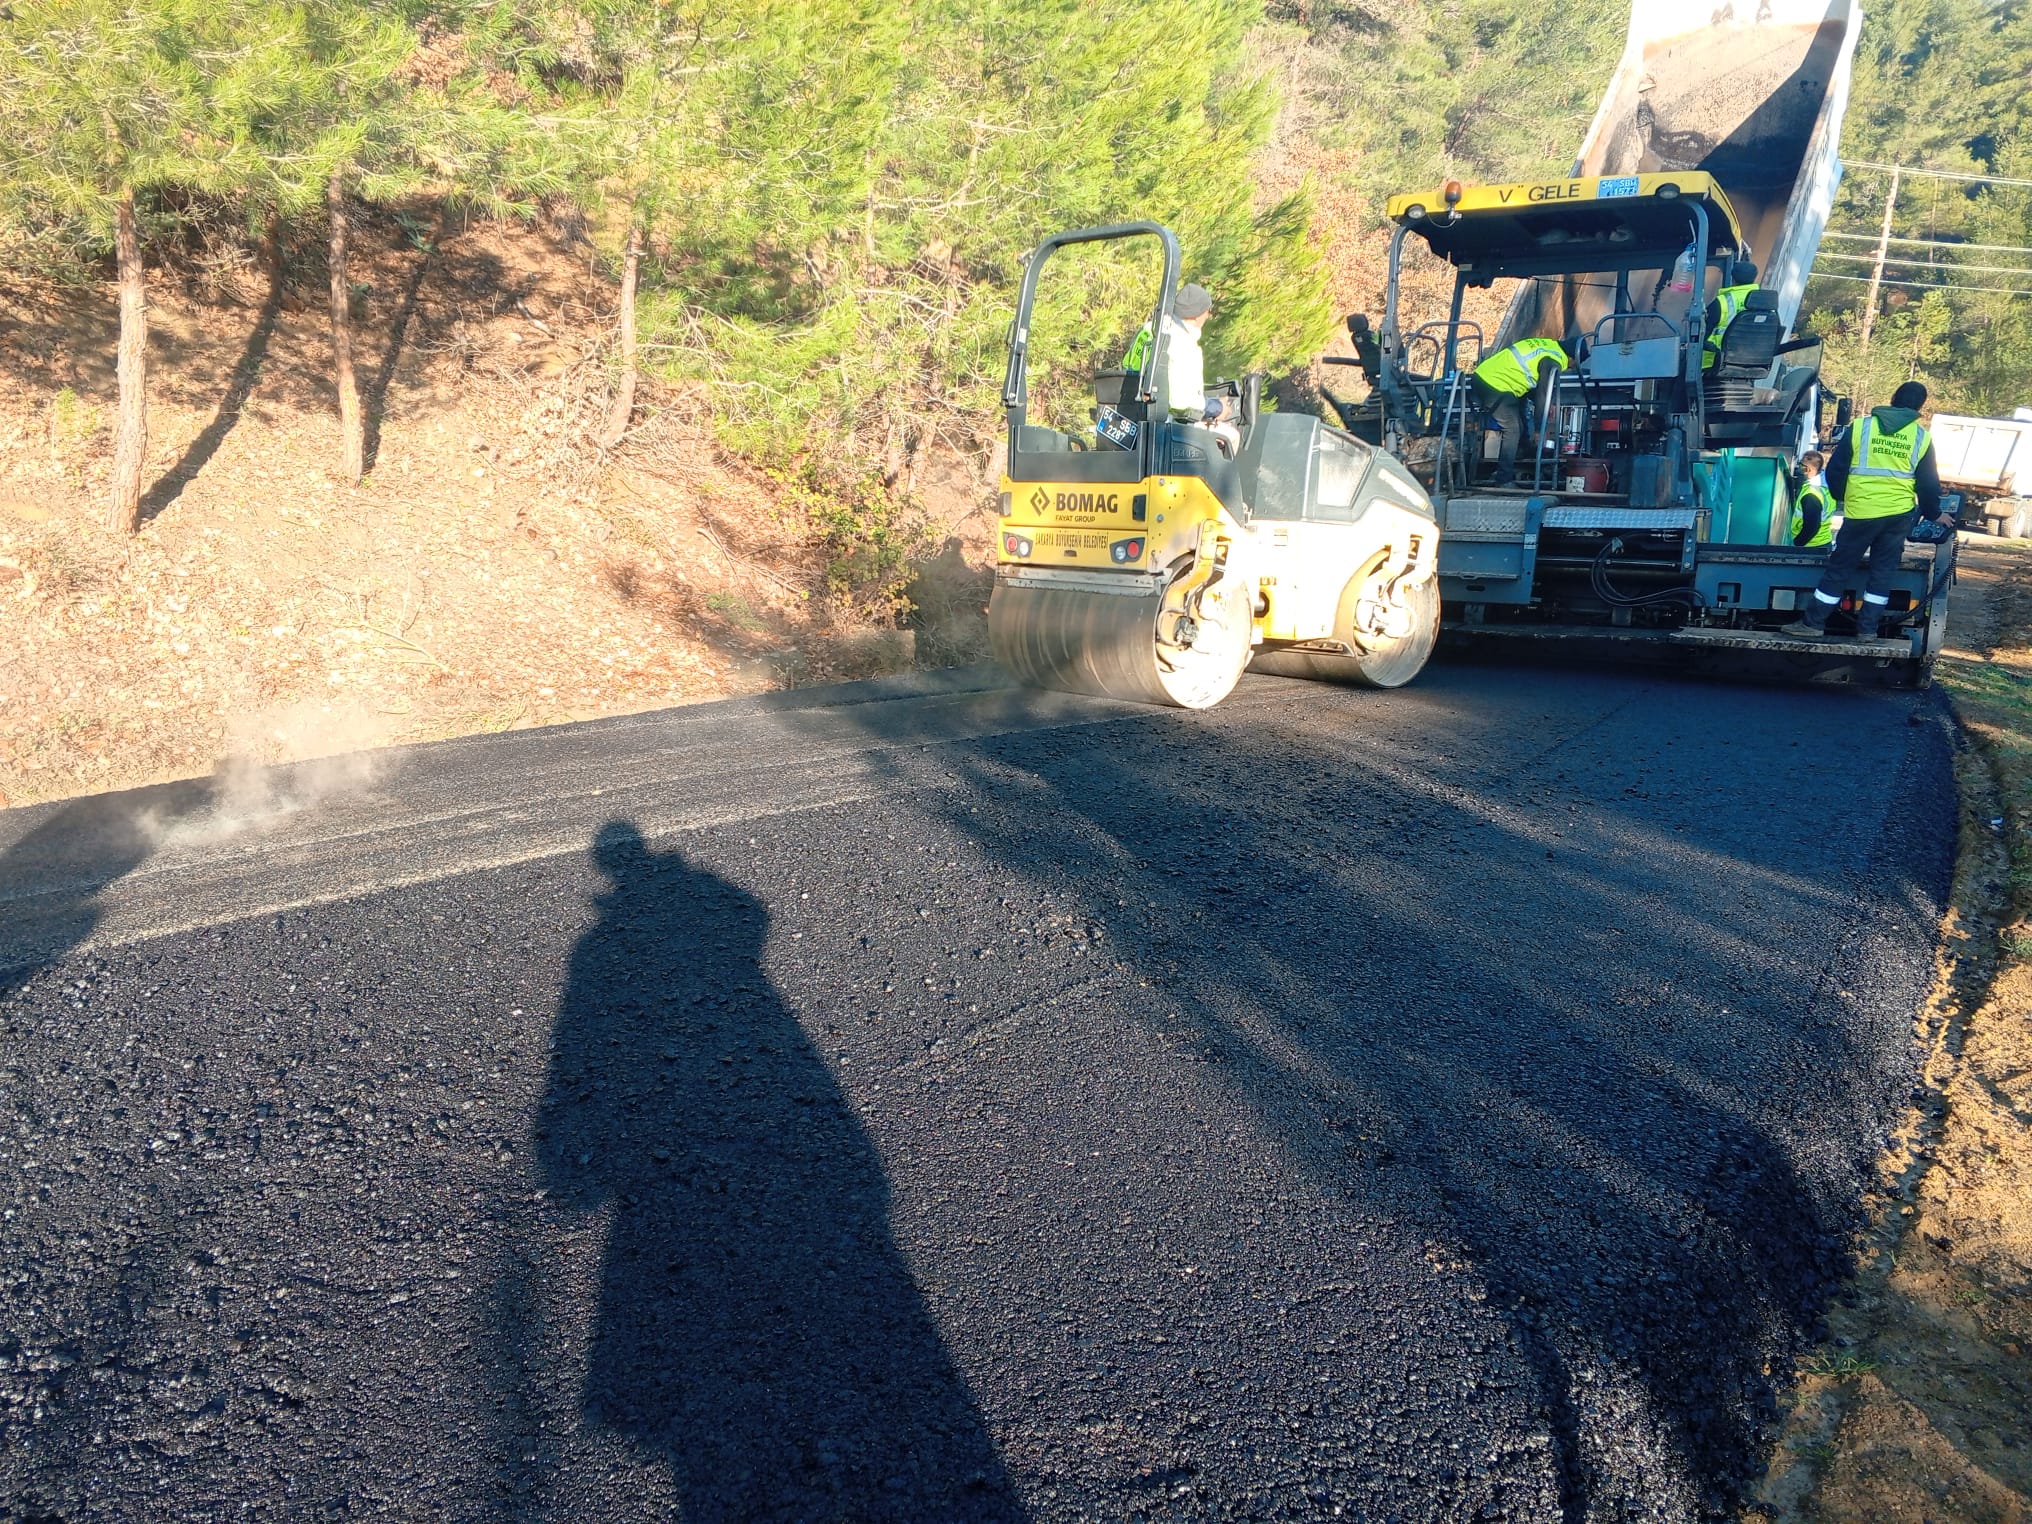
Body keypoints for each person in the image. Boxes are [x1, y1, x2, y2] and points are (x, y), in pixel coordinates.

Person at [1780, 381, 1950, 640]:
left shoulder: (1861, 427)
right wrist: (1935, 513)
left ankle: (1813, 624)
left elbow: (1836, 469)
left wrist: (1842, 498)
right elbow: (1928, 483)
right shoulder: (1921, 437)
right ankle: (1868, 630)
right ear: (1920, 406)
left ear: (1893, 398)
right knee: (1882, 572)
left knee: (1840, 568)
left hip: (1862, 512)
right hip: (1898, 515)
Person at [1123, 283, 1239, 453]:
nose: (1208, 316)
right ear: (1198, 315)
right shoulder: (1183, 343)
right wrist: (1217, 408)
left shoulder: (1149, 329)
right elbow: (1181, 402)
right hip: (1165, 425)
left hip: (1132, 414)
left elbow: (1130, 368)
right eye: (1208, 311)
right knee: (1231, 436)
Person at [1471, 335, 1573, 486]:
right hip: (1495, 385)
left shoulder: (1548, 345)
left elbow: (1533, 385)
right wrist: (1539, 429)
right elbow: (1542, 394)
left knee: (1521, 418)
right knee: (1512, 429)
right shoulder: (1553, 360)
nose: (1571, 368)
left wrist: (1548, 403)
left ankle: (1521, 454)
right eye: (1573, 365)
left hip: (1488, 376)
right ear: (1572, 358)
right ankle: (1503, 480)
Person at [1701, 258, 1761, 371]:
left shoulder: (1722, 302)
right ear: (1754, 278)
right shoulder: (1765, 302)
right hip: (1752, 364)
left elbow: (1701, 334)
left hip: (1714, 364)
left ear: (1733, 278)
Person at [1790, 449, 1834, 548]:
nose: (1798, 469)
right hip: (1823, 541)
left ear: (1808, 469)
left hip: (1811, 545)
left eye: (1801, 466)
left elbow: (1812, 526)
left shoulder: (1811, 495)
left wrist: (1798, 543)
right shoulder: (1824, 488)